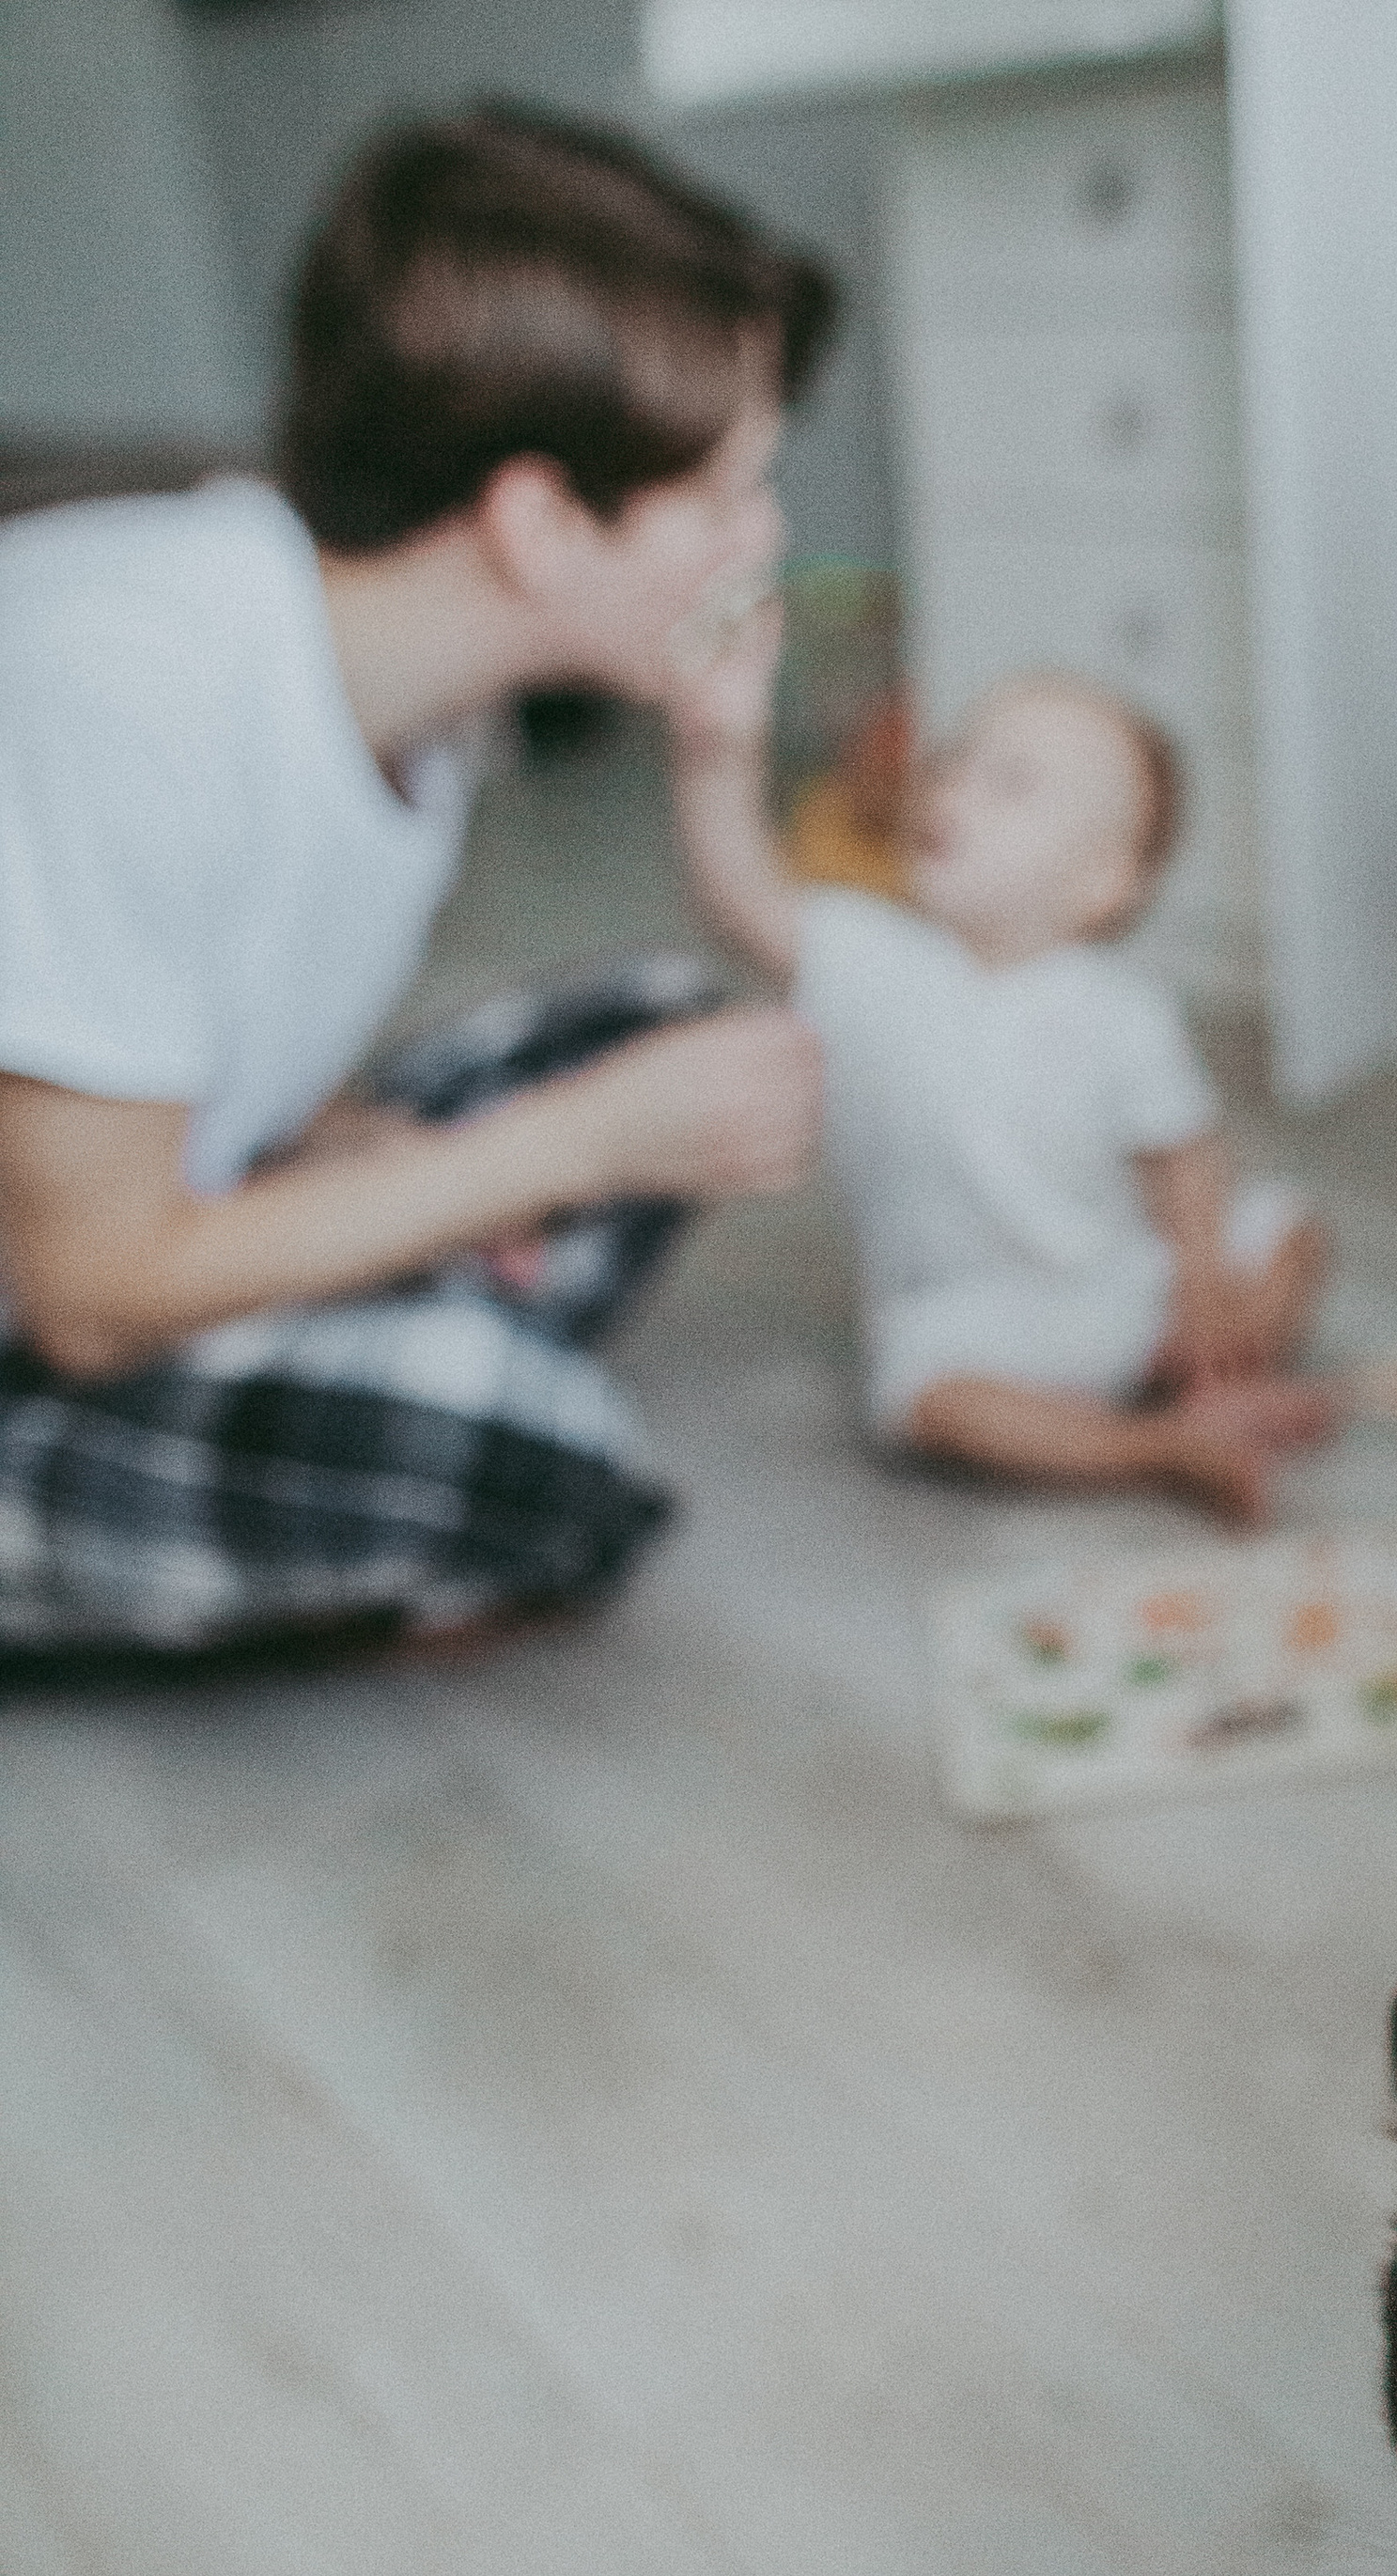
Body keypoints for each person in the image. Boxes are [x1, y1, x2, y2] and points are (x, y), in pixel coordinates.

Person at [0, 104, 834, 1666]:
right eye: (726, 496)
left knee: (656, 1025)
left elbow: (164, 1023)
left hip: (119, 1202)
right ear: (537, 521)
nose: (765, 540)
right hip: (57, 1312)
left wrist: (369, 1148)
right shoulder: (128, 683)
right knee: (547, 1460)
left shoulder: (420, 698)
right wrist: (553, 1152)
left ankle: (360, 1393)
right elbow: (91, 1291)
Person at [680, 664, 1335, 1520]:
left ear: (1098, 881)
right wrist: (714, 754)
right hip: (977, 1319)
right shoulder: (868, 959)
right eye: (955, 763)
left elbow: (1184, 1159)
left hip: (1123, 1286)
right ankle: (1162, 1445)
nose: (952, 788)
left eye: (1010, 783)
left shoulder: (1120, 1010)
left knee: (1291, 1232)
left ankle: (1223, 1384)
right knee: (921, 1392)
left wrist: (1204, 1294)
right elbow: (742, 898)